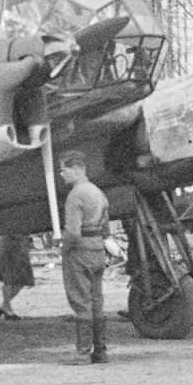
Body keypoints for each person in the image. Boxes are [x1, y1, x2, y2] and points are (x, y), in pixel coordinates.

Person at [58, 150, 110, 364]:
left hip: (79, 252)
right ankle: (101, 351)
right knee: (97, 301)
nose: (62, 174)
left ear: (77, 169)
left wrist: (64, 248)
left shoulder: (75, 195)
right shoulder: (98, 192)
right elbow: (105, 226)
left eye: (64, 169)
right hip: (98, 249)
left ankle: (82, 353)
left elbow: (72, 232)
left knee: (81, 301)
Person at [0, 233, 34, 320]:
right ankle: (7, 309)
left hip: (20, 250)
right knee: (9, 280)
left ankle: (3, 306)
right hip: (7, 249)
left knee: (23, 281)